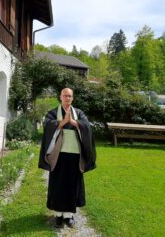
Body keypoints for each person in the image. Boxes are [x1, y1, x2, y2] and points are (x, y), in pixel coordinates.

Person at [39, 87, 96, 228]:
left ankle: (69, 215)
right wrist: (63, 122)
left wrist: (75, 122)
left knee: (72, 184)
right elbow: (46, 125)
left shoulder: (79, 113)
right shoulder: (53, 113)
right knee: (57, 184)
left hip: (75, 155)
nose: (67, 98)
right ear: (60, 97)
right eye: (65, 96)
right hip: (58, 155)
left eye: (70, 96)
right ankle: (58, 215)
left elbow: (87, 127)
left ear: (73, 98)